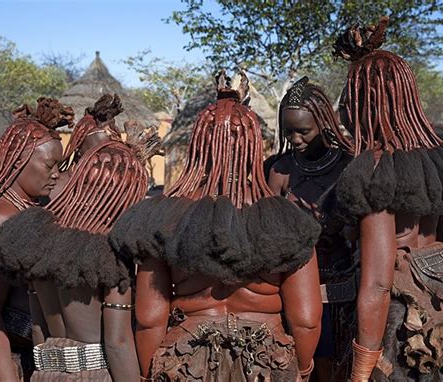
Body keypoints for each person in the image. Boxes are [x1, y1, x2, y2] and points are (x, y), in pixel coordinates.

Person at [110, 71, 323, 381]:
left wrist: (148, 375)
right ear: (252, 147)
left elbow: (149, 318)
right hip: (264, 365)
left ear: (198, 146)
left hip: (186, 361)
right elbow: (306, 320)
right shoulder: (288, 222)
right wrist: (301, 371)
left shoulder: (164, 218)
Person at [326, 16, 443, 380]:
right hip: (442, 315)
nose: (344, 113)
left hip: (397, 329)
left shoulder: (377, 170)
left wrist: (363, 368)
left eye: (349, 101)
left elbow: (378, 284)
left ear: (366, 103)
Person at [0, 125, 160, 381]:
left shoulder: (38, 243)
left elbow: (38, 329)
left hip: (45, 372)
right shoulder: (110, 256)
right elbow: (117, 343)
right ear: (124, 197)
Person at [268, 77, 354, 381]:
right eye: (288, 131)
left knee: (331, 364)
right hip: (290, 286)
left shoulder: (348, 166)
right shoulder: (279, 170)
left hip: (340, 287)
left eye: (303, 131)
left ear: (324, 124)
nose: (294, 138)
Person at [0, 98, 72, 381]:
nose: (56, 174)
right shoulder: (1, 219)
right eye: (49, 165)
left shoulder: (29, 209)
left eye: (60, 166)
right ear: (19, 161)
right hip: (3, 361)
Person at [50, 93, 124, 199]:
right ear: (78, 148)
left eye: (111, 152)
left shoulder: (114, 190)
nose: (105, 159)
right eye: (97, 152)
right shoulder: (52, 187)